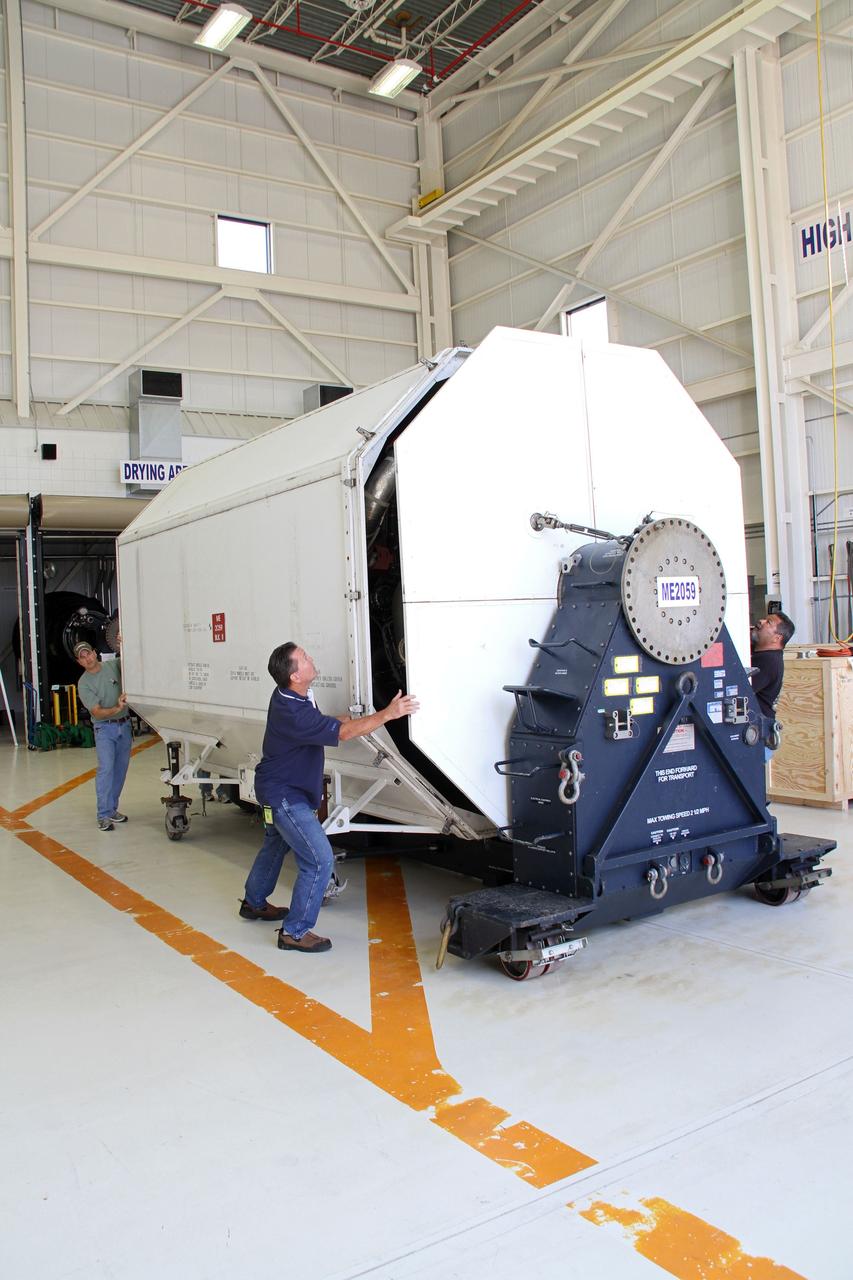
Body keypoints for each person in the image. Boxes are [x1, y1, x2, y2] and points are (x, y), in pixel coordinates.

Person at [240, 643, 419, 954]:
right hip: (285, 797)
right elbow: (343, 734)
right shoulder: (294, 711)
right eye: (305, 658)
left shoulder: (290, 695)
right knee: (319, 860)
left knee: (275, 843)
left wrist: (344, 717)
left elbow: (320, 725)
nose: (311, 658)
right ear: (296, 674)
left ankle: (254, 903)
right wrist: (389, 713)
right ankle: (294, 933)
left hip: (273, 790)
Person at [75, 638, 132, 832]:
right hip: (104, 729)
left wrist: (121, 642)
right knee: (106, 769)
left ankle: (112, 809)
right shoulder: (84, 684)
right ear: (79, 662)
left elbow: (128, 658)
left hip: (124, 726)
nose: (87, 659)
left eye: (88, 653)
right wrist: (117, 708)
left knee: (120, 769)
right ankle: (103, 815)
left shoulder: (111, 666)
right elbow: (97, 712)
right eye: (82, 657)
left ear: (94, 652)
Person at [749, 611, 795, 756]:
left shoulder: (769, 661)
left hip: (756, 738)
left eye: (768, 622)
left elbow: (739, 689)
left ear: (777, 638)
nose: (761, 621)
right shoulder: (760, 655)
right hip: (754, 735)